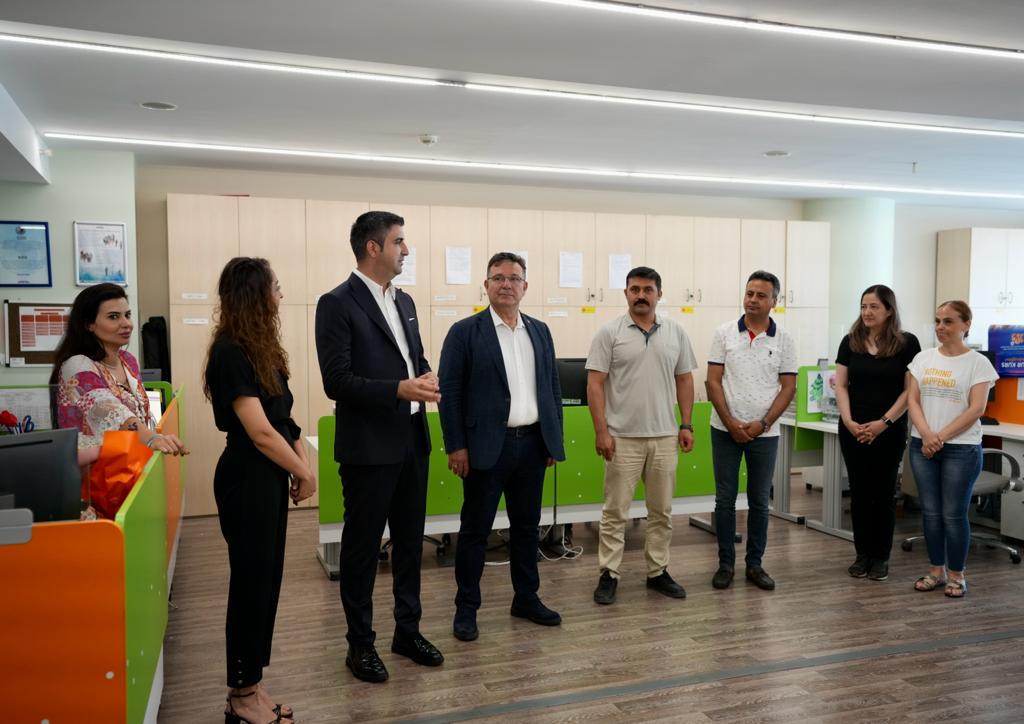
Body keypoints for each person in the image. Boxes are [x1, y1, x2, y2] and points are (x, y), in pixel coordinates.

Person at [315, 210, 443, 683]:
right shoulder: (336, 303)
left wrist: (426, 379)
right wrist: (399, 389)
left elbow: (415, 358)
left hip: (412, 439)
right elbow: (337, 381)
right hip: (368, 446)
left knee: (410, 544)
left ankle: (407, 631)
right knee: (363, 548)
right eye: (398, 242)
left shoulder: (404, 300)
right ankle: (360, 644)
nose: (405, 250)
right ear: (373, 248)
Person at [203, 257, 315, 723]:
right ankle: (241, 695)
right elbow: (260, 432)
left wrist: (300, 463)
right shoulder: (230, 352)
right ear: (255, 294)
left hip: (269, 476)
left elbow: (283, 419)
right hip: (247, 478)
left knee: (266, 584)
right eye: (276, 287)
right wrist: (305, 473)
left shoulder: (261, 348)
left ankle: (252, 683)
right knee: (250, 586)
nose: (281, 295)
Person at [438, 252, 566, 642]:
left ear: (525, 286)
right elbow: (450, 393)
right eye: (498, 278)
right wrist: (456, 446)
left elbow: (552, 388)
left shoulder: (540, 331)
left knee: (527, 528)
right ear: (486, 285)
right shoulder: (465, 332)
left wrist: (552, 439)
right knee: (475, 531)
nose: (506, 284)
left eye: (514, 278)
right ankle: (466, 607)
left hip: (532, 445)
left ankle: (526, 598)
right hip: (484, 449)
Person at [586, 266, 697, 605]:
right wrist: (601, 431)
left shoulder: (676, 332)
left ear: (659, 294)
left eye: (648, 290)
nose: (641, 296)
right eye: (634, 290)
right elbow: (595, 383)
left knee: (661, 511)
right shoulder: (610, 333)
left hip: (664, 436)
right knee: (614, 512)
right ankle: (609, 573)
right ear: (626, 294)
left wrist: (686, 424)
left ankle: (657, 572)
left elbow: (685, 380)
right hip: (622, 438)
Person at [706, 271, 796, 592]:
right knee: (725, 500)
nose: (753, 300)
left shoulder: (784, 339)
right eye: (749, 293)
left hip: (764, 435)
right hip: (724, 430)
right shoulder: (724, 333)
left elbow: (788, 387)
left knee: (759, 501)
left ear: (775, 301)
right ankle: (725, 564)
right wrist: (730, 422)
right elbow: (712, 381)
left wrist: (763, 424)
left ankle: (755, 565)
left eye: (760, 295)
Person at [907, 300, 997, 599]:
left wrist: (939, 437)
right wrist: (926, 435)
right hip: (923, 444)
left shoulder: (978, 363)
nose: (940, 327)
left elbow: (977, 409)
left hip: (961, 448)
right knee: (931, 513)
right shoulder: (923, 358)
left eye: (948, 321)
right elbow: (913, 401)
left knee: (953, 515)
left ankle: (957, 574)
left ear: (966, 325)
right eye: (937, 321)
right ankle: (936, 571)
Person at [52, 283, 187, 476]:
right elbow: (112, 413)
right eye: (114, 317)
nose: (127, 324)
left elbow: (138, 413)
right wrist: (152, 438)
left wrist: (154, 438)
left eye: (127, 315)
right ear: (88, 324)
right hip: (94, 477)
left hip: (129, 466)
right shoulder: (78, 365)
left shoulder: (128, 360)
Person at [835, 285, 920, 582]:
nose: (867, 312)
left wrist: (883, 423)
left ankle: (881, 557)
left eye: (874, 307)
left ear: (889, 311)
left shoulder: (907, 343)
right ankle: (862, 555)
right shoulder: (850, 341)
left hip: (889, 429)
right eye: (863, 306)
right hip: (853, 427)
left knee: (883, 494)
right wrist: (848, 420)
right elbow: (841, 385)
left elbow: (909, 391)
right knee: (859, 493)